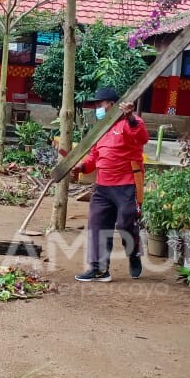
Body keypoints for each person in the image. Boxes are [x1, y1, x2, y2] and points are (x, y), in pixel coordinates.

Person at [72, 87, 148, 282]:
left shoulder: (131, 122)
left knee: (125, 224)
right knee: (97, 225)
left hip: (127, 185)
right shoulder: (101, 128)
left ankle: (134, 254)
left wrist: (130, 117)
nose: (97, 107)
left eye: (100, 104)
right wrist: (81, 167)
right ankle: (99, 269)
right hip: (102, 187)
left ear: (112, 105)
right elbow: (94, 155)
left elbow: (142, 137)